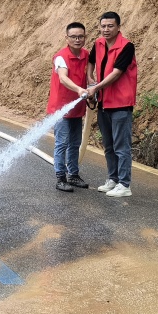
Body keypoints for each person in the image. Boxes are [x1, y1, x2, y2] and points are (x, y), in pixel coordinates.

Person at [85, 12, 137, 197]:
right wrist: (89, 77)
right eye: (103, 26)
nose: (106, 29)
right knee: (108, 145)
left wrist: (95, 87)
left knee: (121, 147)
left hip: (121, 104)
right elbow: (91, 61)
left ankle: (124, 184)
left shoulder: (127, 46)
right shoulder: (98, 44)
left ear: (118, 27)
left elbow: (117, 73)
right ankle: (113, 179)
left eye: (110, 26)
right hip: (104, 103)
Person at [48, 22, 91, 191]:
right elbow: (63, 78)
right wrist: (79, 89)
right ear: (67, 38)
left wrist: (93, 88)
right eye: (73, 37)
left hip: (77, 109)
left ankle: (73, 175)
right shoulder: (61, 57)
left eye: (80, 36)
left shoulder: (86, 55)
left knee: (75, 143)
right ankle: (60, 178)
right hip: (61, 109)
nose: (77, 40)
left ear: (85, 37)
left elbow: (89, 76)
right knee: (62, 143)